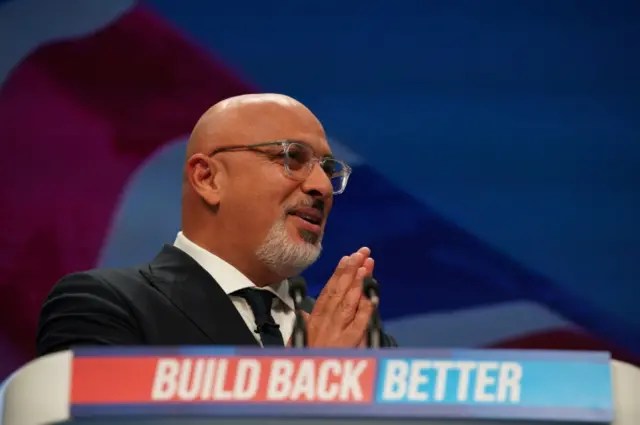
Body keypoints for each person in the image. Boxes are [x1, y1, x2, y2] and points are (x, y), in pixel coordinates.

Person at [36, 93, 396, 356]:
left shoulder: (358, 338)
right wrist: (309, 377)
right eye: (292, 157)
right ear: (207, 178)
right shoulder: (103, 307)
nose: (321, 186)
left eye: (328, 169)